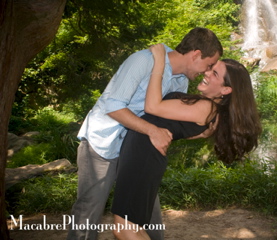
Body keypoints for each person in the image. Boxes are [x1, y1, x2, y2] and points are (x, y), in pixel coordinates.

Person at [67, 28, 223, 240]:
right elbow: (113, 107)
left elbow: (165, 124)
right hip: (102, 143)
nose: (207, 71)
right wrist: (151, 130)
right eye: (209, 65)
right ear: (195, 54)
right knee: (88, 212)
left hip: (137, 148)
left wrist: (200, 135)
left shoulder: (181, 81)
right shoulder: (144, 60)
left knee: (148, 216)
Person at [111, 44, 262, 240]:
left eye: (214, 73)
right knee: (131, 227)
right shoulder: (210, 109)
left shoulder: (206, 108)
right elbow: (175, 126)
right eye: (210, 68)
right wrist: (197, 135)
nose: (207, 73)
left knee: (125, 228)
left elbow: (152, 107)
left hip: (143, 155)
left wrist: (159, 63)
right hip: (143, 152)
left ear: (225, 89)